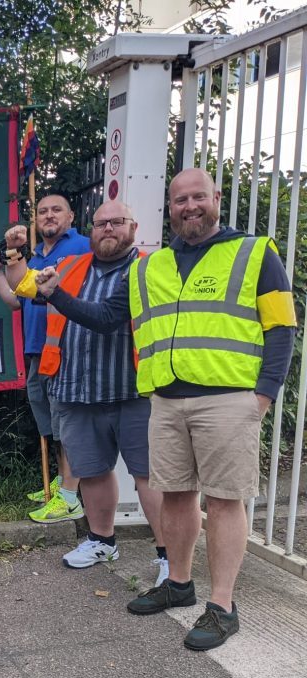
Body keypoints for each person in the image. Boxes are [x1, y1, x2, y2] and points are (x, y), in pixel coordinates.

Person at [34, 168, 296, 650]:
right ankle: (179, 584)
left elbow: (281, 327)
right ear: (169, 209)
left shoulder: (253, 252)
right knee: (174, 494)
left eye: (198, 197)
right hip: (166, 400)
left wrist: (264, 394)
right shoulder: (148, 267)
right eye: (180, 200)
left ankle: (222, 606)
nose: (189, 206)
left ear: (216, 199)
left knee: (222, 501)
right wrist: (56, 295)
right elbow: (109, 318)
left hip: (227, 399)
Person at [4, 200, 168, 585]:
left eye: (117, 222)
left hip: (133, 392)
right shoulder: (72, 266)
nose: (108, 228)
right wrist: (13, 251)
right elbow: (23, 286)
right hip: (76, 389)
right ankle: (101, 540)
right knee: (93, 472)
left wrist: (55, 294)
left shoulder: (149, 268)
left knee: (149, 477)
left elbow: (107, 319)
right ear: (91, 229)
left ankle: (168, 557)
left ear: (134, 226)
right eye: (101, 223)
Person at [0, 194, 88, 522]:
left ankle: (70, 497)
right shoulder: (31, 255)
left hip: (67, 347)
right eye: (42, 211)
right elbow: (17, 302)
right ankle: (61, 482)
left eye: (57, 210)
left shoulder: (84, 247)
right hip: (35, 349)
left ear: (71, 216)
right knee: (52, 424)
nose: (49, 215)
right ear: (35, 220)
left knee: (68, 423)